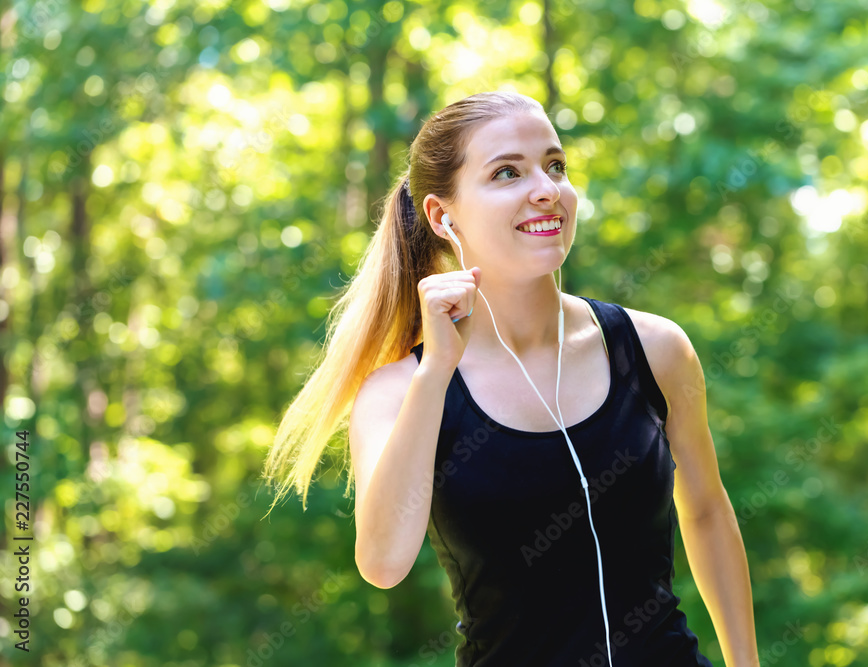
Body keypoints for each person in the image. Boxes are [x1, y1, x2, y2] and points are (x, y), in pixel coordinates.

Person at [262, 90, 759, 666]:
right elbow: (383, 563)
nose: (547, 189)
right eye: (507, 173)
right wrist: (437, 372)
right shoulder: (399, 390)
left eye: (555, 166)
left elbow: (706, 510)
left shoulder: (655, 350)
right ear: (443, 216)